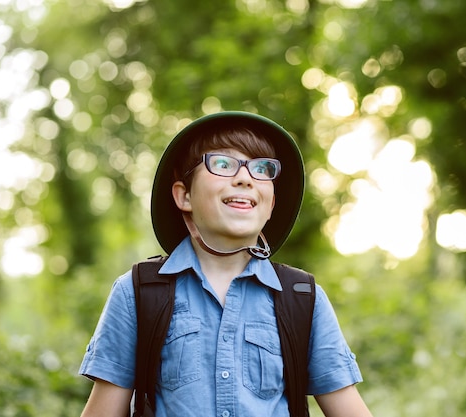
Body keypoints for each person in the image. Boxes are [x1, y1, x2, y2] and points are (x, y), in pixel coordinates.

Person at [78, 111, 374, 417]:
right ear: (184, 196)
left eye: (262, 169)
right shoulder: (138, 293)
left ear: (270, 204)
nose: (245, 178)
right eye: (222, 163)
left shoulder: (302, 299)